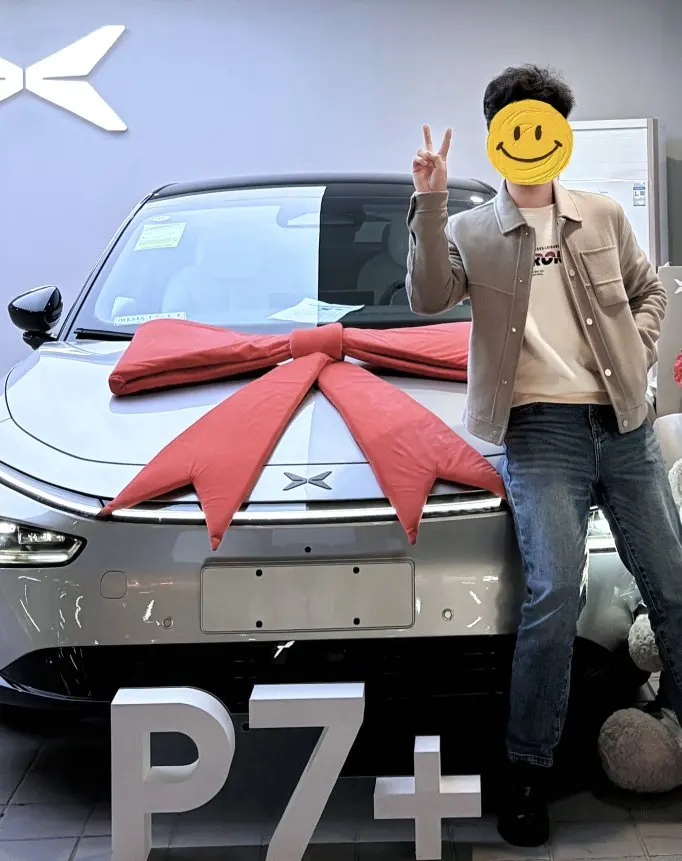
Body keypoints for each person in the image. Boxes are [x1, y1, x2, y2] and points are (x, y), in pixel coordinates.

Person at [407, 63, 682, 848]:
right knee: (554, 592)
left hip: (624, 424)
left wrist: (639, 349)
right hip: (539, 433)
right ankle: (527, 771)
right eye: (516, 123)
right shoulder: (471, 230)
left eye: (544, 122)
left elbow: (649, 291)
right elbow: (427, 296)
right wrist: (429, 201)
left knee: (673, 585)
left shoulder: (601, 215)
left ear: (560, 134)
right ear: (498, 136)